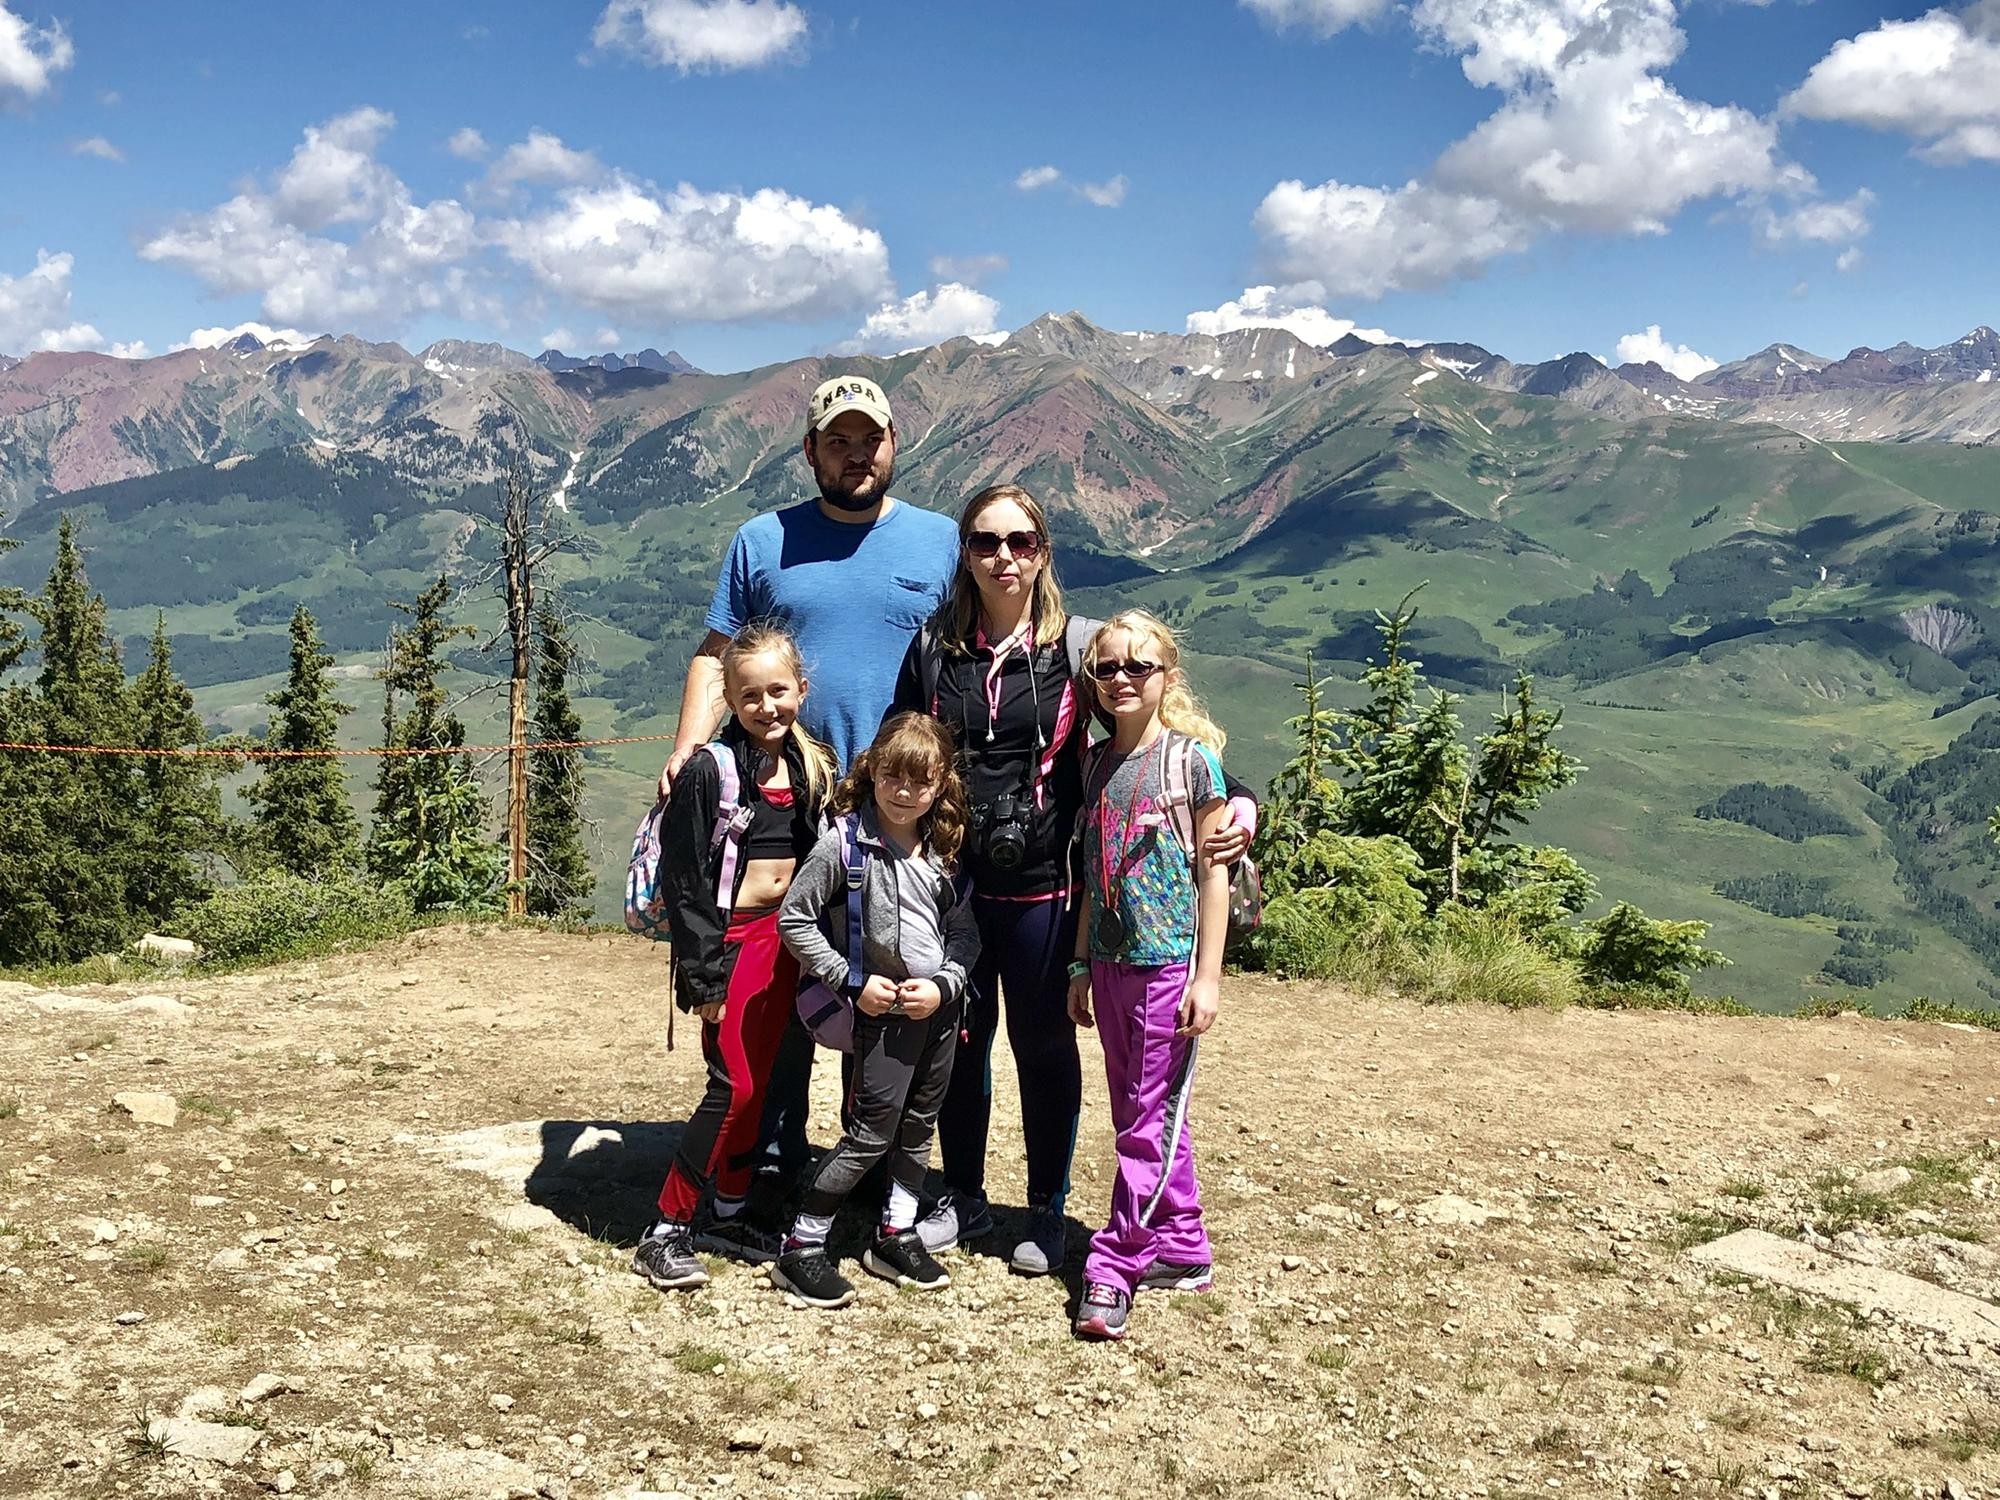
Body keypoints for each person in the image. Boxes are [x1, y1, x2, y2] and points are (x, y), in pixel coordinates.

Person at [890, 486, 1256, 1275]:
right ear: (965, 553)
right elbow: (904, 743)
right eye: (986, 542)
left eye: (1020, 542)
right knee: (958, 1044)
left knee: (1044, 1046)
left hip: (1045, 893)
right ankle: (964, 1195)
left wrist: (1241, 799)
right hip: (955, 885)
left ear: (1042, 552)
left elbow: (1149, 724)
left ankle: (1046, 1208)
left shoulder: (1074, 651)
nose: (1004, 557)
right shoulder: (934, 650)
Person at [659, 374, 960, 1191]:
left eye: (870, 439)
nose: (857, 454)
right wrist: (689, 751)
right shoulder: (762, 540)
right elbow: (715, 655)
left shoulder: (940, 542)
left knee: (890, 986)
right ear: (810, 452)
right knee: (783, 986)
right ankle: (766, 1163)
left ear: (895, 443)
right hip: (785, 803)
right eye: (839, 441)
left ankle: (870, 1171)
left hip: (896, 810)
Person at [631, 624, 838, 1291]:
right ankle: (666, 1227)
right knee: (734, 1086)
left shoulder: (811, 766)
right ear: (729, 698)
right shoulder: (708, 771)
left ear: (801, 689)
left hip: (786, 945)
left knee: (762, 1077)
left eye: (778, 691)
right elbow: (685, 882)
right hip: (732, 947)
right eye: (750, 696)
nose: (766, 706)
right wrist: (703, 977)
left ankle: (729, 1209)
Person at [770, 713, 979, 1308]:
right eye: (892, 776)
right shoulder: (843, 844)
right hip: (880, 1015)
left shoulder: (944, 847)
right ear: (872, 771)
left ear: (940, 783)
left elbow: (965, 933)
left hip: (938, 1011)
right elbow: (794, 919)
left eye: (920, 781)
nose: (904, 792)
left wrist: (945, 986)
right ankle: (801, 1244)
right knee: (871, 1134)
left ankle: (895, 1232)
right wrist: (851, 980)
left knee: (919, 1127)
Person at [1065, 610, 1230, 1342]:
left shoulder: (1192, 762)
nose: (1122, 679)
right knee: (1145, 1114)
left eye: (1139, 666)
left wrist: (1207, 977)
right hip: (1109, 963)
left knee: (1145, 1119)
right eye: (1107, 668)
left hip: (1168, 964)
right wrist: (1080, 963)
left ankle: (1115, 1263)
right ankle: (1184, 1247)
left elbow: (1214, 875)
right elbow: (1091, 874)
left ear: (1169, 676)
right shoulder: (1096, 764)